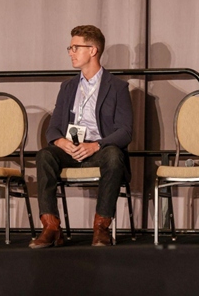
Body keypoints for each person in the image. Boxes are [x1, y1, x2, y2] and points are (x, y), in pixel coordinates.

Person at [29, 25, 133, 248]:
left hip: (100, 151)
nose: (70, 52)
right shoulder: (68, 87)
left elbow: (125, 131)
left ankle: (101, 229)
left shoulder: (117, 87)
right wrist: (61, 142)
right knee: (45, 155)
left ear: (93, 50)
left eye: (75, 47)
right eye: (70, 47)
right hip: (71, 150)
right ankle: (51, 227)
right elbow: (53, 128)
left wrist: (96, 145)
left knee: (114, 155)